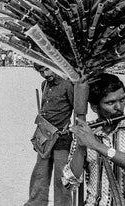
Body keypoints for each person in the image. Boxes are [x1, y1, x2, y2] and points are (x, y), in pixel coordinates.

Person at [62, 73, 125, 206]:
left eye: (122, 100)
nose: (119, 107)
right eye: (111, 103)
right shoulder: (86, 133)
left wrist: (97, 146)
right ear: (95, 107)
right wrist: (81, 146)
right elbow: (69, 182)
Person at [24, 63, 74, 206]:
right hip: (45, 137)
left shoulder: (67, 85)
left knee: (62, 178)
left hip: (62, 138)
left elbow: (77, 109)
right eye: (41, 71)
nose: (45, 74)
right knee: (40, 175)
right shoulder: (44, 85)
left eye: (47, 69)